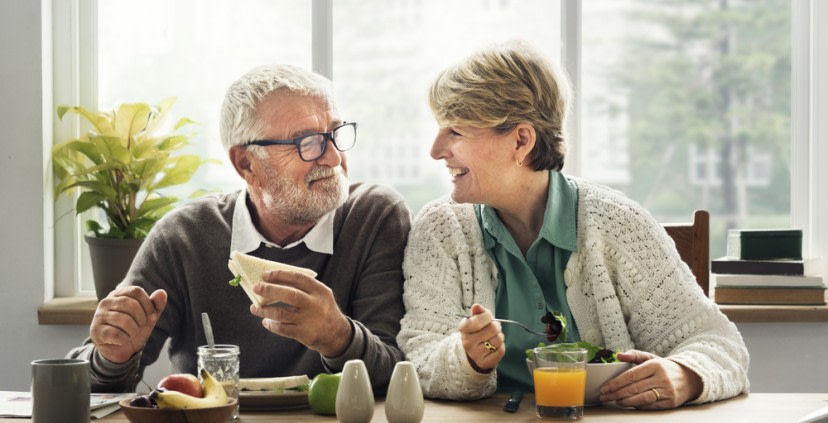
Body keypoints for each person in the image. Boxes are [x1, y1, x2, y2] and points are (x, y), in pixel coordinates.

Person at [397, 40, 749, 409]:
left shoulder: (619, 224)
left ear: (521, 139)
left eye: (455, 131)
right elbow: (418, 357)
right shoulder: (440, 229)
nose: (436, 150)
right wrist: (466, 358)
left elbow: (718, 342)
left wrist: (686, 374)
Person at [68, 64, 412, 393]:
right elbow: (90, 387)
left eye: (335, 134)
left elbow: (399, 377)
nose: (334, 158)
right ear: (246, 163)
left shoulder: (374, 216)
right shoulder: (184, 236)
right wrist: (112, 356)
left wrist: (337, 336)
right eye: (307, 142)